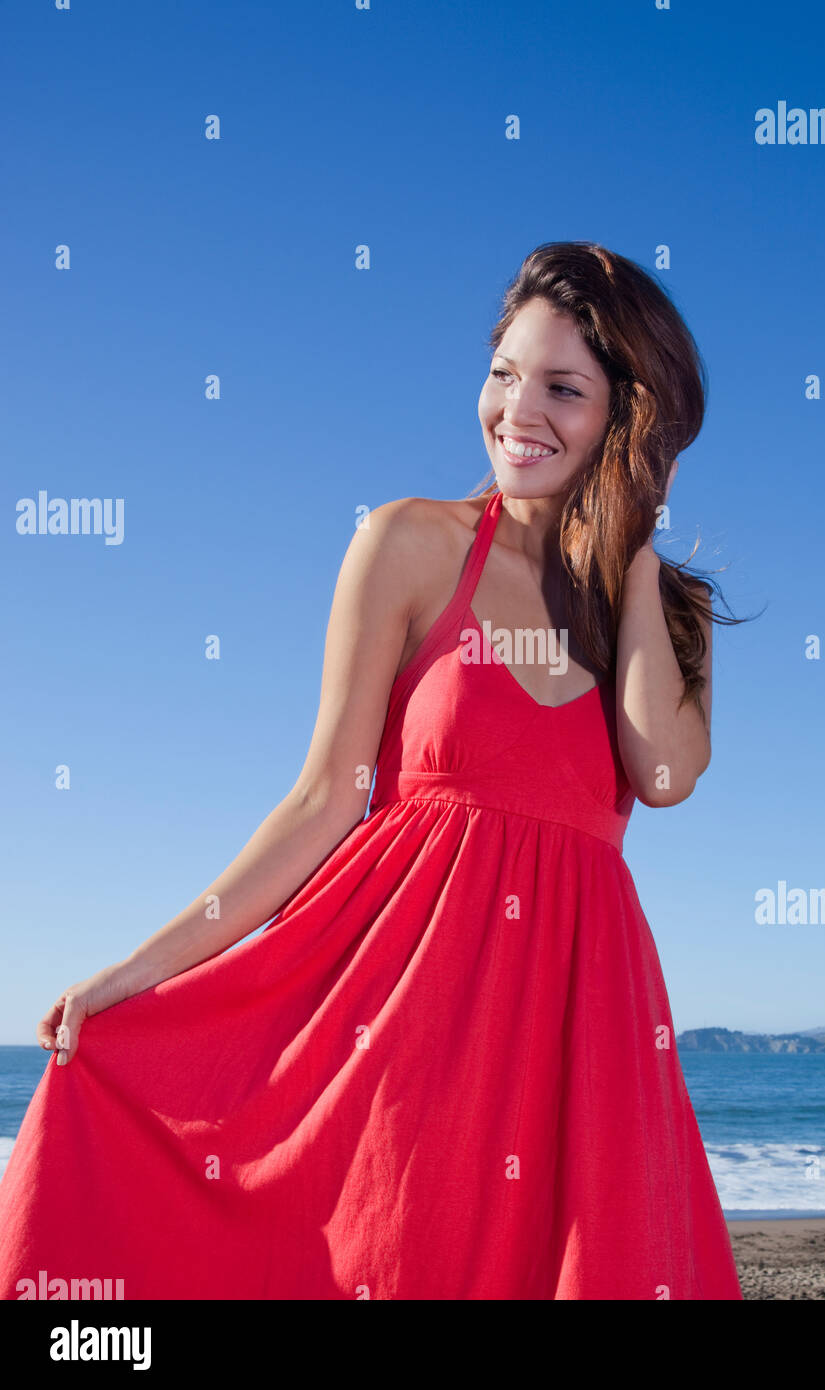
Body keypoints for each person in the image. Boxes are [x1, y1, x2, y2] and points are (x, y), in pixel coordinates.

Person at [0, 242, 745, 1300]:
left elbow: (662, 773)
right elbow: (320, 803)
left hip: (579, 1036)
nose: (515, 411)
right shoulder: (408, 545)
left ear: (631, 421)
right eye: (502, 373)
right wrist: (136, 974)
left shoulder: (669, 613)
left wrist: (627, 552)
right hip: (402, 1016)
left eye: (563, 389)